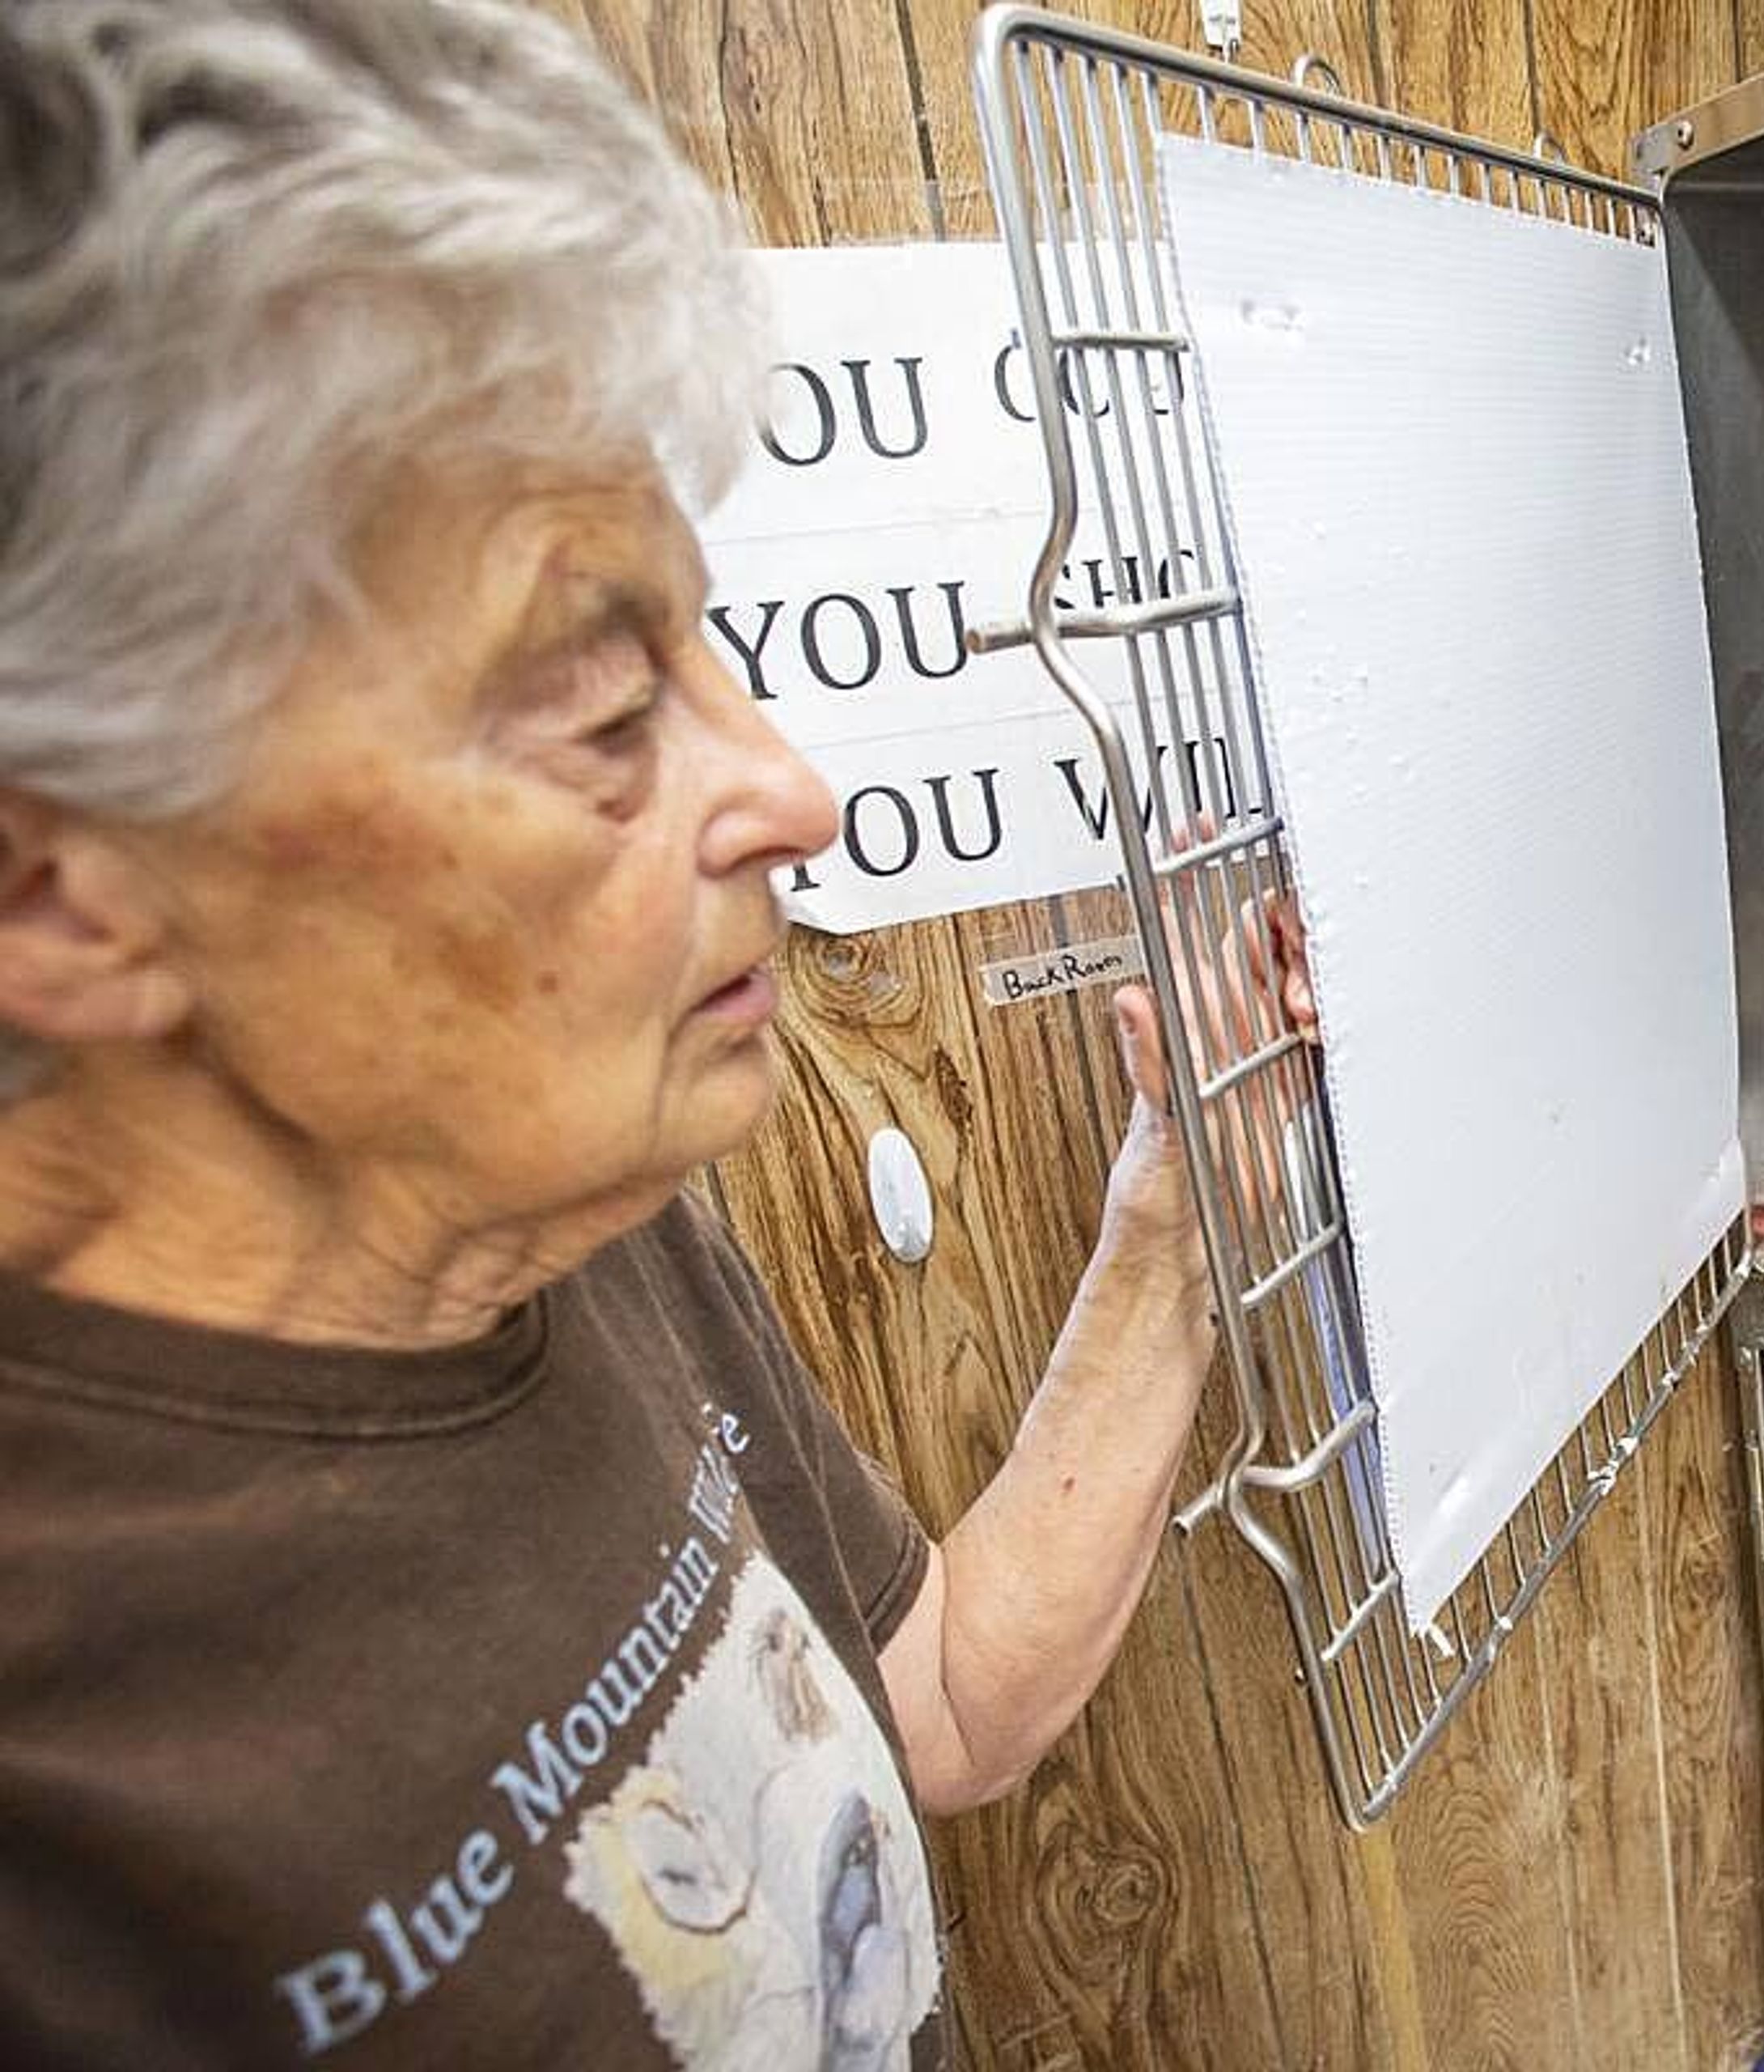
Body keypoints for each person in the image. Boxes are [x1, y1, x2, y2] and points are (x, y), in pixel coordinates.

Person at [0, 2, 1312, 2063]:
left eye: (707, 644)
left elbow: (940, 1694)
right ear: (58, 894)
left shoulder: (542, 1194)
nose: (788, 788)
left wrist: (1183, 1212)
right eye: (605, 710)